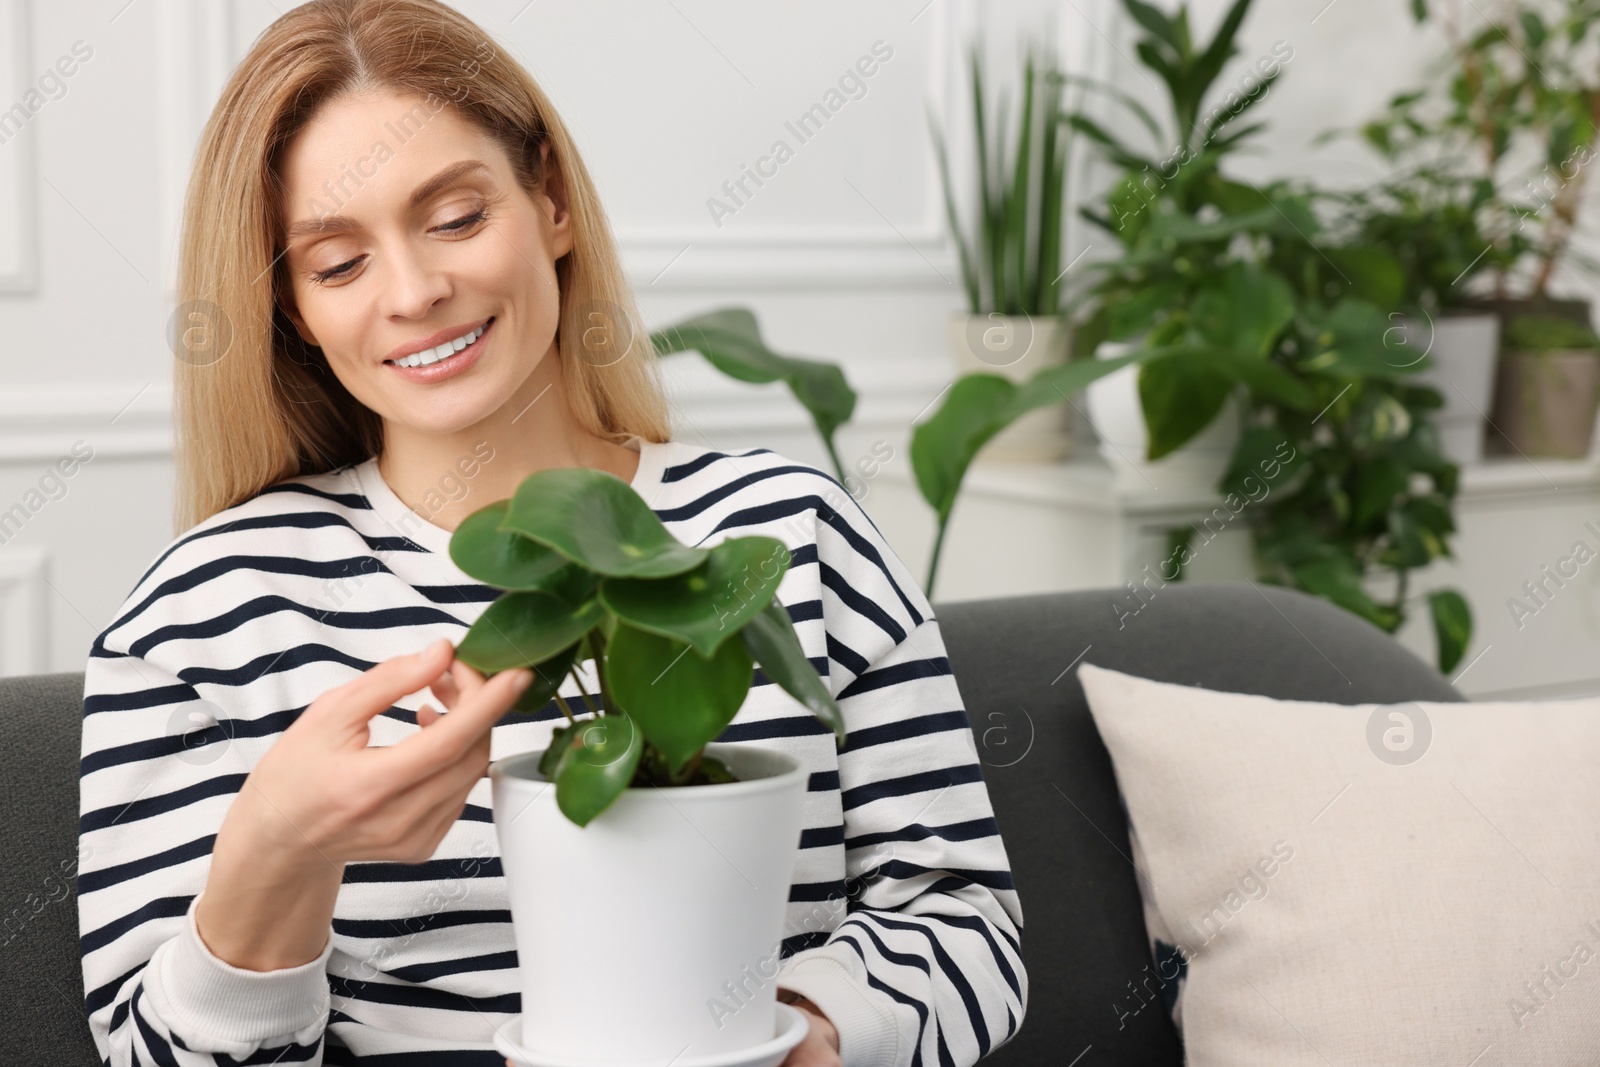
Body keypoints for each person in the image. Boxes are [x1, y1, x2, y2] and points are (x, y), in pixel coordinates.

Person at [76, 2, 1026, 1065]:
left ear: (552, 200)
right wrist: (275, 854)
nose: (416, 290)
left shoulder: (795, 533)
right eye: (337, 264)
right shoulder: (198, 615)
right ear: (294, 307)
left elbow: (961, 920)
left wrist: (800, 1034)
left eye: (456, 216)